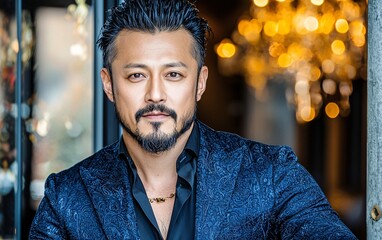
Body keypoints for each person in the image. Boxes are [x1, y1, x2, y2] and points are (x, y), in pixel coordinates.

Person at [29, 0, 357, 239]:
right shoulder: (67, 196)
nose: (155, 94)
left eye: (173, 74)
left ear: (199, 83)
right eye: (136, 76)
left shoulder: (271, 173)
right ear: (109, 84)